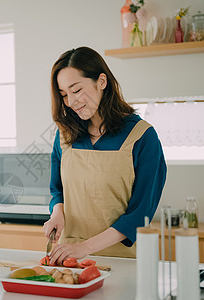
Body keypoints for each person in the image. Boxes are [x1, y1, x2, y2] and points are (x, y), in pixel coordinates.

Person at [43, 46, 167, 265]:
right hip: (70, 258)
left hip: (123, 260)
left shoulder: (142, 137)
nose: (71, 102)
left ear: (101, 81)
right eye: (64, 95)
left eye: (76, 90)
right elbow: (57, 190)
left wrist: (85, 247)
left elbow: (141, 215)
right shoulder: (64, 135)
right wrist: (57, 213)